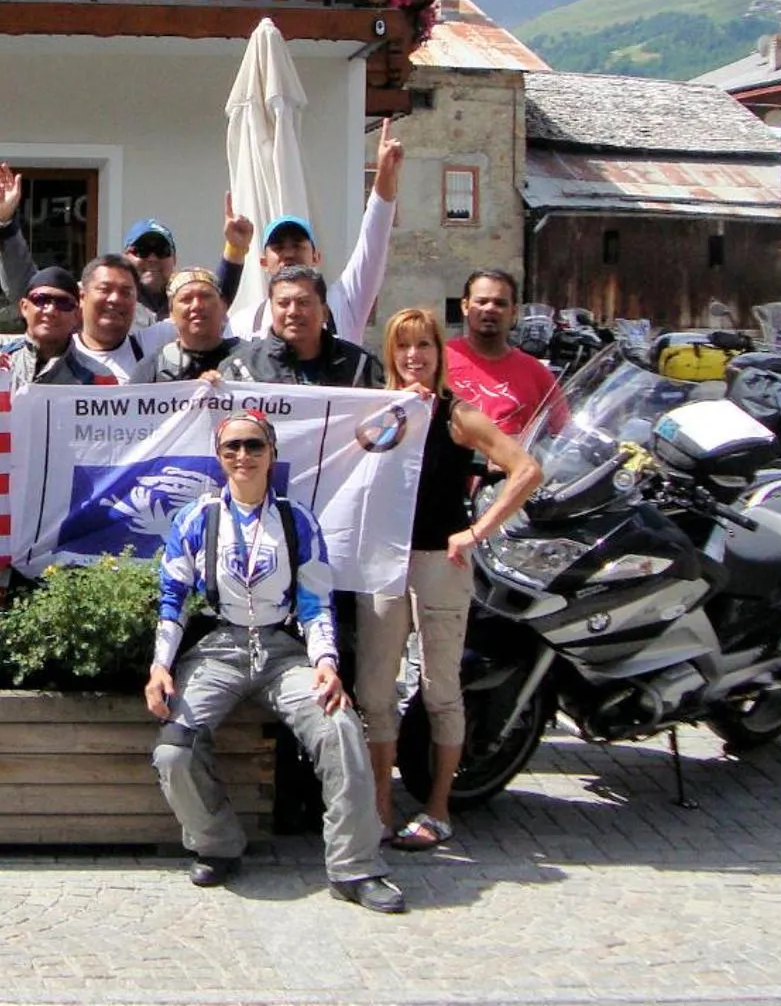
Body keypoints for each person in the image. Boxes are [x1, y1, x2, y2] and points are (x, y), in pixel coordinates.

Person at [146, 410, 402, 913]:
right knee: (174, 749)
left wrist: (326, 661)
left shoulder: (296, 519)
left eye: (254, 446)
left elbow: (315, 600)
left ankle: (356, 867)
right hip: (220, 647)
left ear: (272, 455)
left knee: (341, 728)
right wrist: (160, 666)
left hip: (283, 647)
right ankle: (216, 843)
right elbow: (172, 599)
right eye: (232, 448)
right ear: (219, 458)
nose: (243, 456)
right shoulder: (196, 518)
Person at [357, 308, 541, 851]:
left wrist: (477, 531)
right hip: (384, 563)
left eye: (424, 347)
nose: (414, 357)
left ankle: (438, 809)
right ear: (391, 354)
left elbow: (525, 469)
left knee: (441, 689)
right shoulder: (376, 412)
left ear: (440, 354)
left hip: (441, 561)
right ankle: (380, 805)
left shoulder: (457, 416)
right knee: (375, 691)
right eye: (404, 347)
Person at [0, 160, 253, 348]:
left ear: (174, 260)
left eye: (160, 250)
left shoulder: (182, 304)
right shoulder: (93, 296)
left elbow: (218, 300)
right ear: (126, 256)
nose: (151, 258)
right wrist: (6, 223)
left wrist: (236, 248)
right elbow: (28, 289)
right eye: (141, 250)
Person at [237, 117, 405, 344]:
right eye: (278, 247)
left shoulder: (344, 303)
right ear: (263, 262)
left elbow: (373, 240)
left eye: (298, 245)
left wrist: (385, 174)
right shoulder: (244, 324)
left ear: (316, 257)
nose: (288, 254)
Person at [219, 265, 384, 387]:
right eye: (283, 303)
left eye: (303, 302)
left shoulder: (360, 366)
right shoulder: (240, 369)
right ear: (271, 310)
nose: (293, 312)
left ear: (325, 312)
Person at [443, 268, 561, 437]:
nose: (490, 308)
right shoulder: (438, 360)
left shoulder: (537, 374)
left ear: (514, 312)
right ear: (465, 306)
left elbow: (562, 435)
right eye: (481, 302)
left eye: (500, 303)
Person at [0, 265, 113, 387]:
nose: (51, 310)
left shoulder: (98, 377)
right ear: (24, 307)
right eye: (40, 299)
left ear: (76, 315)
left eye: (63, 303)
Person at [129, 267, 236, 383]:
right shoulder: (150, 370)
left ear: (224, 306)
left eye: (206, 296)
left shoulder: (253, 358)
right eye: (186, 299)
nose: (196, 306)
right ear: (171, 313)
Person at [68, 253, 145, 380]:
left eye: (125, 293)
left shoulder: (150, 352)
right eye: (105, 289)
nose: (115, 299)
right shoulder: (58, 357)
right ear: (82, 297)